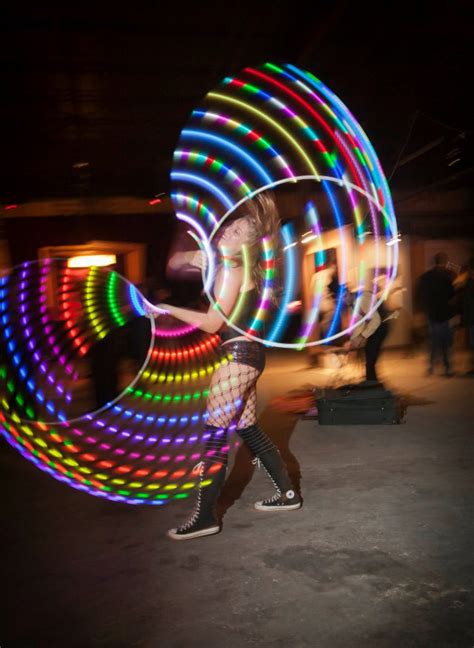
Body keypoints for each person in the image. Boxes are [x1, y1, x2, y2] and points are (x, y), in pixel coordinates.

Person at [156, 192, 301, 540]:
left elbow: (210, 324)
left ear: (247, 246)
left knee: (214, 437)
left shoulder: (231, 270)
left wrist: (167, 310)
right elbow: (178, 261)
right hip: (250, 357)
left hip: (236, 358)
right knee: (248, 429)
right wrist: (200, 257)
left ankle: (205, 517)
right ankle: (288, 494)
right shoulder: (237, 268)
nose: (226, 231)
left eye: (236, 232)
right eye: (230, 226)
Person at [344, 286, 393, 384]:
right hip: (375, 326)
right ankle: (371, 381)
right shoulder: (353, 304)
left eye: (344, 297)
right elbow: (359, 323)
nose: (343, 301)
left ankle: (372, 383)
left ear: (349, 293)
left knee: (370, 357)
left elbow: (376, 320)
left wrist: (361, 337)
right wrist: (353, 341)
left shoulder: (362, 299)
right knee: (369, 355)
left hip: (381, 326)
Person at [417, 252, 455, 376]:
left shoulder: (426, 277)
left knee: (433, 341)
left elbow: (421, 295)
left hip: (432, 314)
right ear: (444, 261)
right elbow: (452, 295)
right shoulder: (448, 276)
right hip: (445, 314)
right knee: (446, 342)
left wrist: (424, 311)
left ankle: (431, 367)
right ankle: (447, 367)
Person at [462, 257, 474, 375]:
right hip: (470, 318)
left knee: (472, 343)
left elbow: (468, 301)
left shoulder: (470, 282)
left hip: (472, 318)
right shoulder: (469, 281)